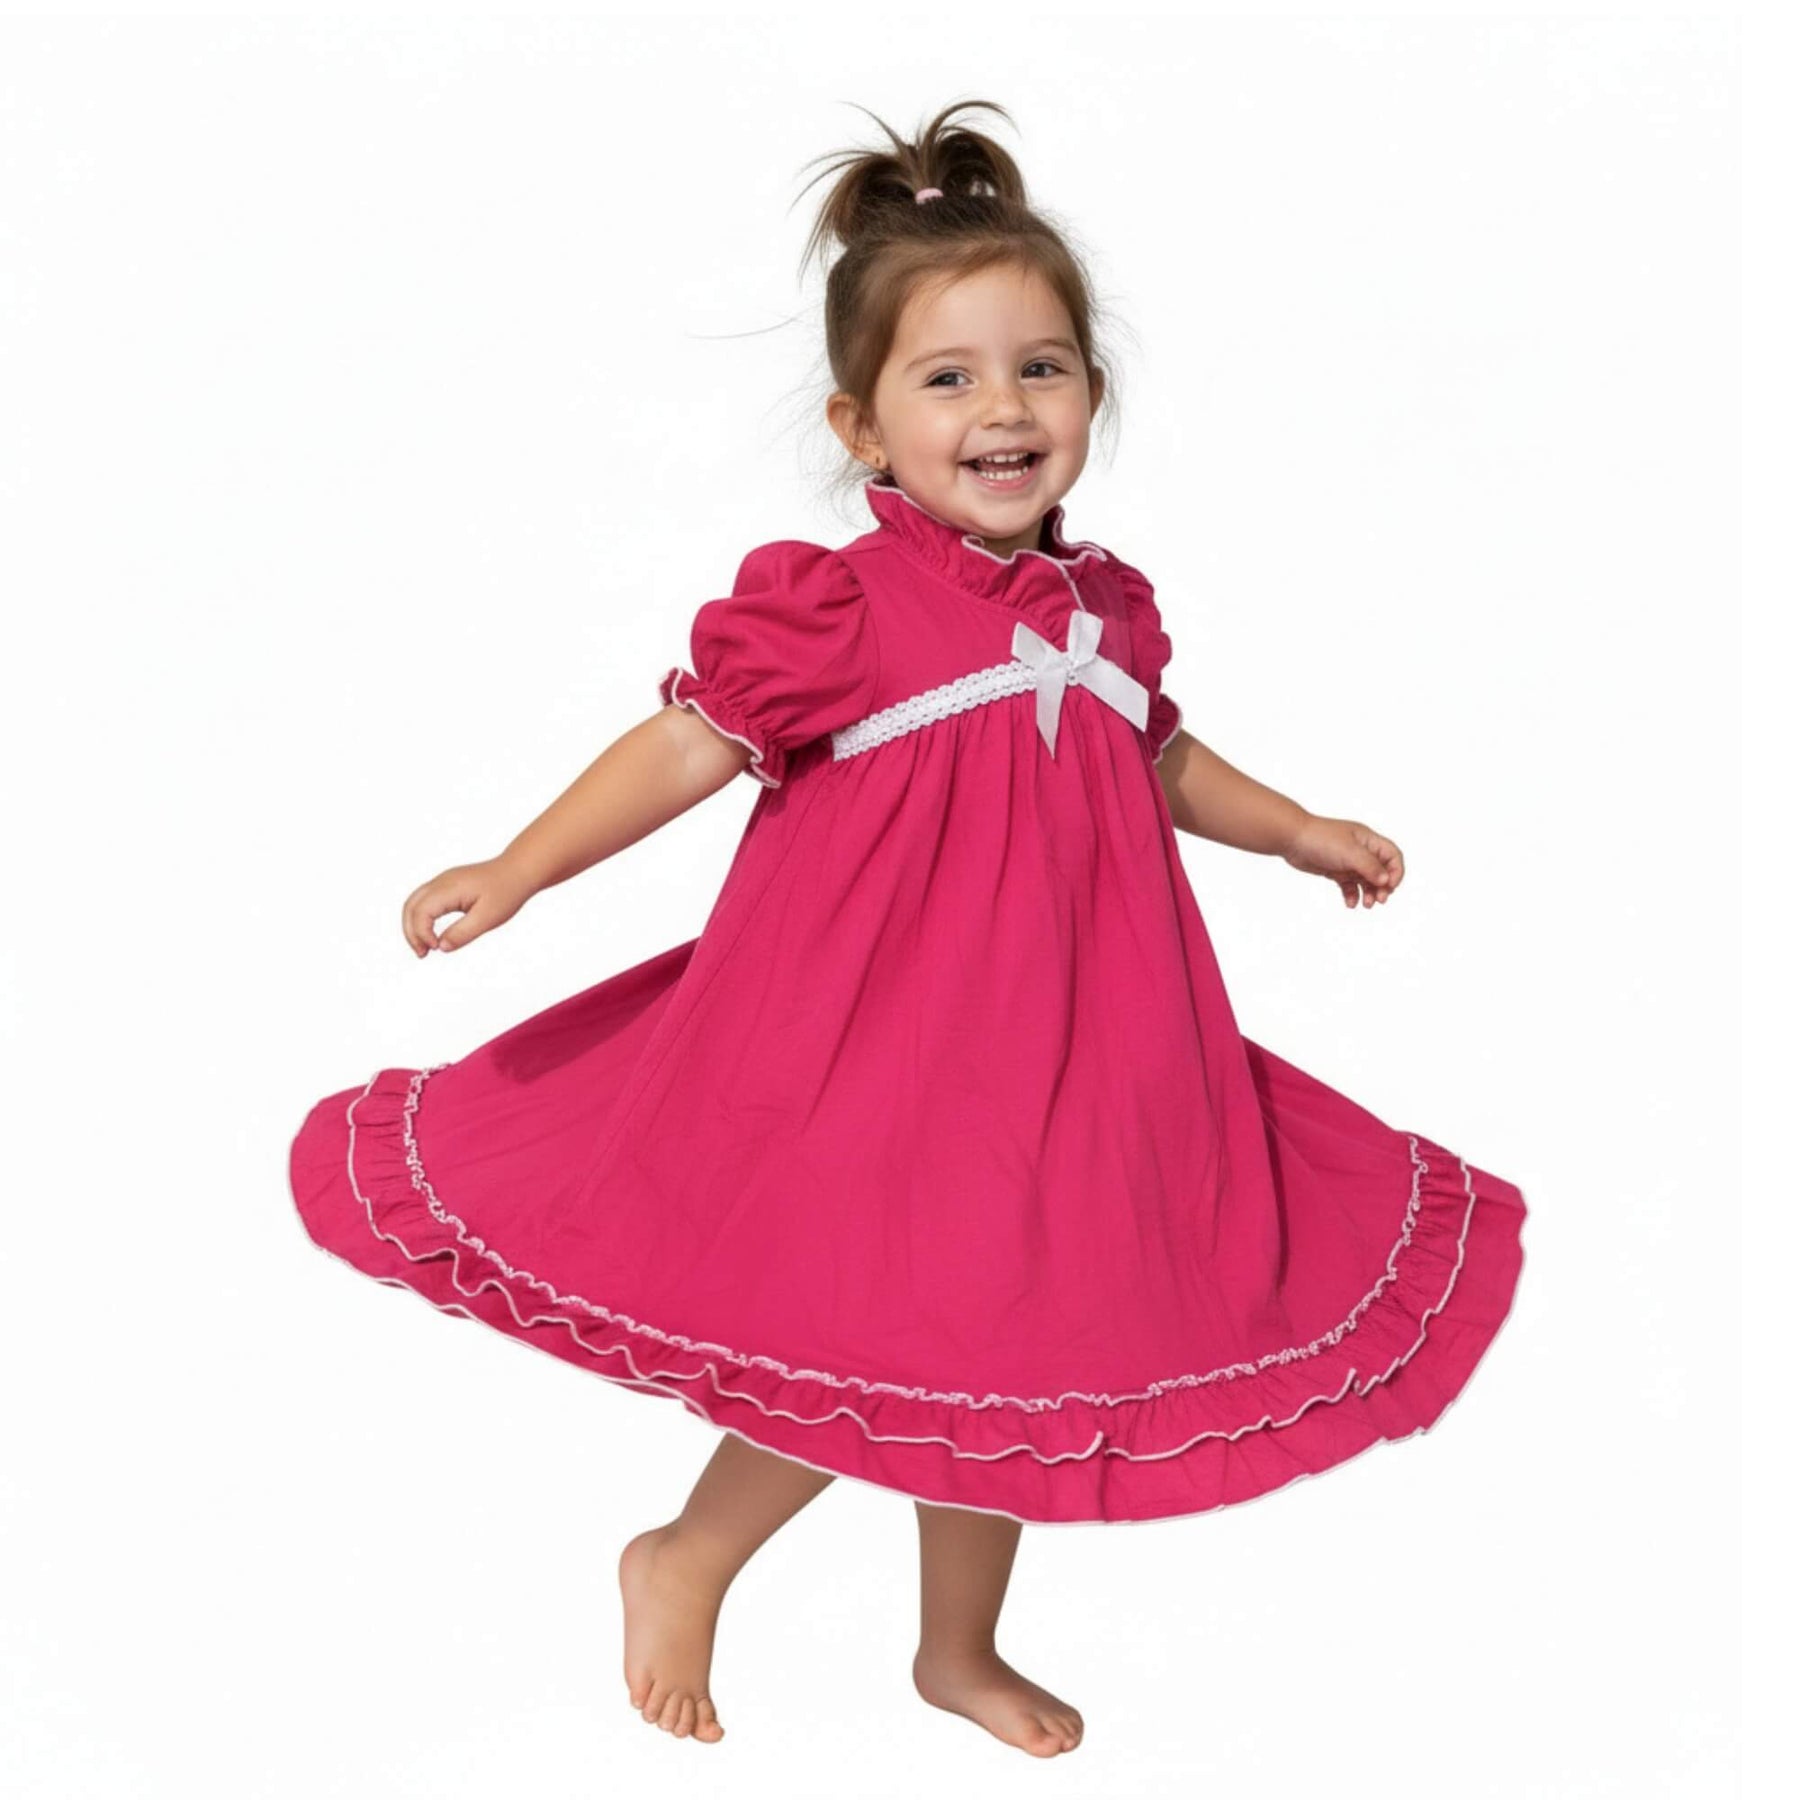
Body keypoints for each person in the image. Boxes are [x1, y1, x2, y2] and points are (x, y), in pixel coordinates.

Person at [288, 98, 1528, 1759]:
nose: (1003, 409)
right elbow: (687, 745)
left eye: (1041, 369)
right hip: (875, 1047)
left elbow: (1157, 758)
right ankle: (687, 1553)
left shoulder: (1107, 611)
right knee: (864, 1324)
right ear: (861, 426)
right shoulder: (843, 608)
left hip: (1077, 1049)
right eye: (948, 379)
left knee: (1020, 1342)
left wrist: (1297, 829)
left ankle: (958, 1647)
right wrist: (521, 867)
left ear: (1092, 394)